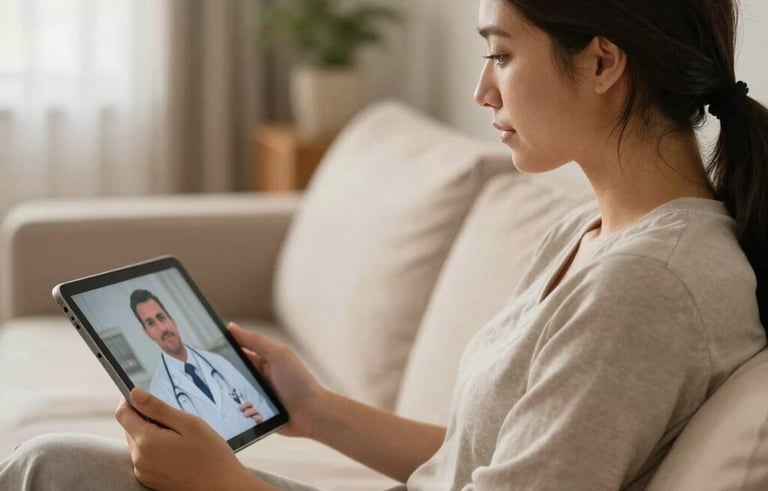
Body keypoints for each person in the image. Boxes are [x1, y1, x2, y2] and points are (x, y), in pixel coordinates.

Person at [1, 0, 767, 489]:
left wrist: (226, 486)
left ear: (602, 62)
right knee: (56, 463)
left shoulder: (649, 290)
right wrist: (319, 411)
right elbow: (482, 462)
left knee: (51, 468)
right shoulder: (589, 231)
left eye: (500, 53)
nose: (481, 91)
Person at [130, 289, 274, 440]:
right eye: (151, 323)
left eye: (161, 317)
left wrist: (261, 419)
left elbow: (263, 408)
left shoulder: (217, 361)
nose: (163, 329)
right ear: (146, 332)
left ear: (172, 319)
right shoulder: (159, 391)